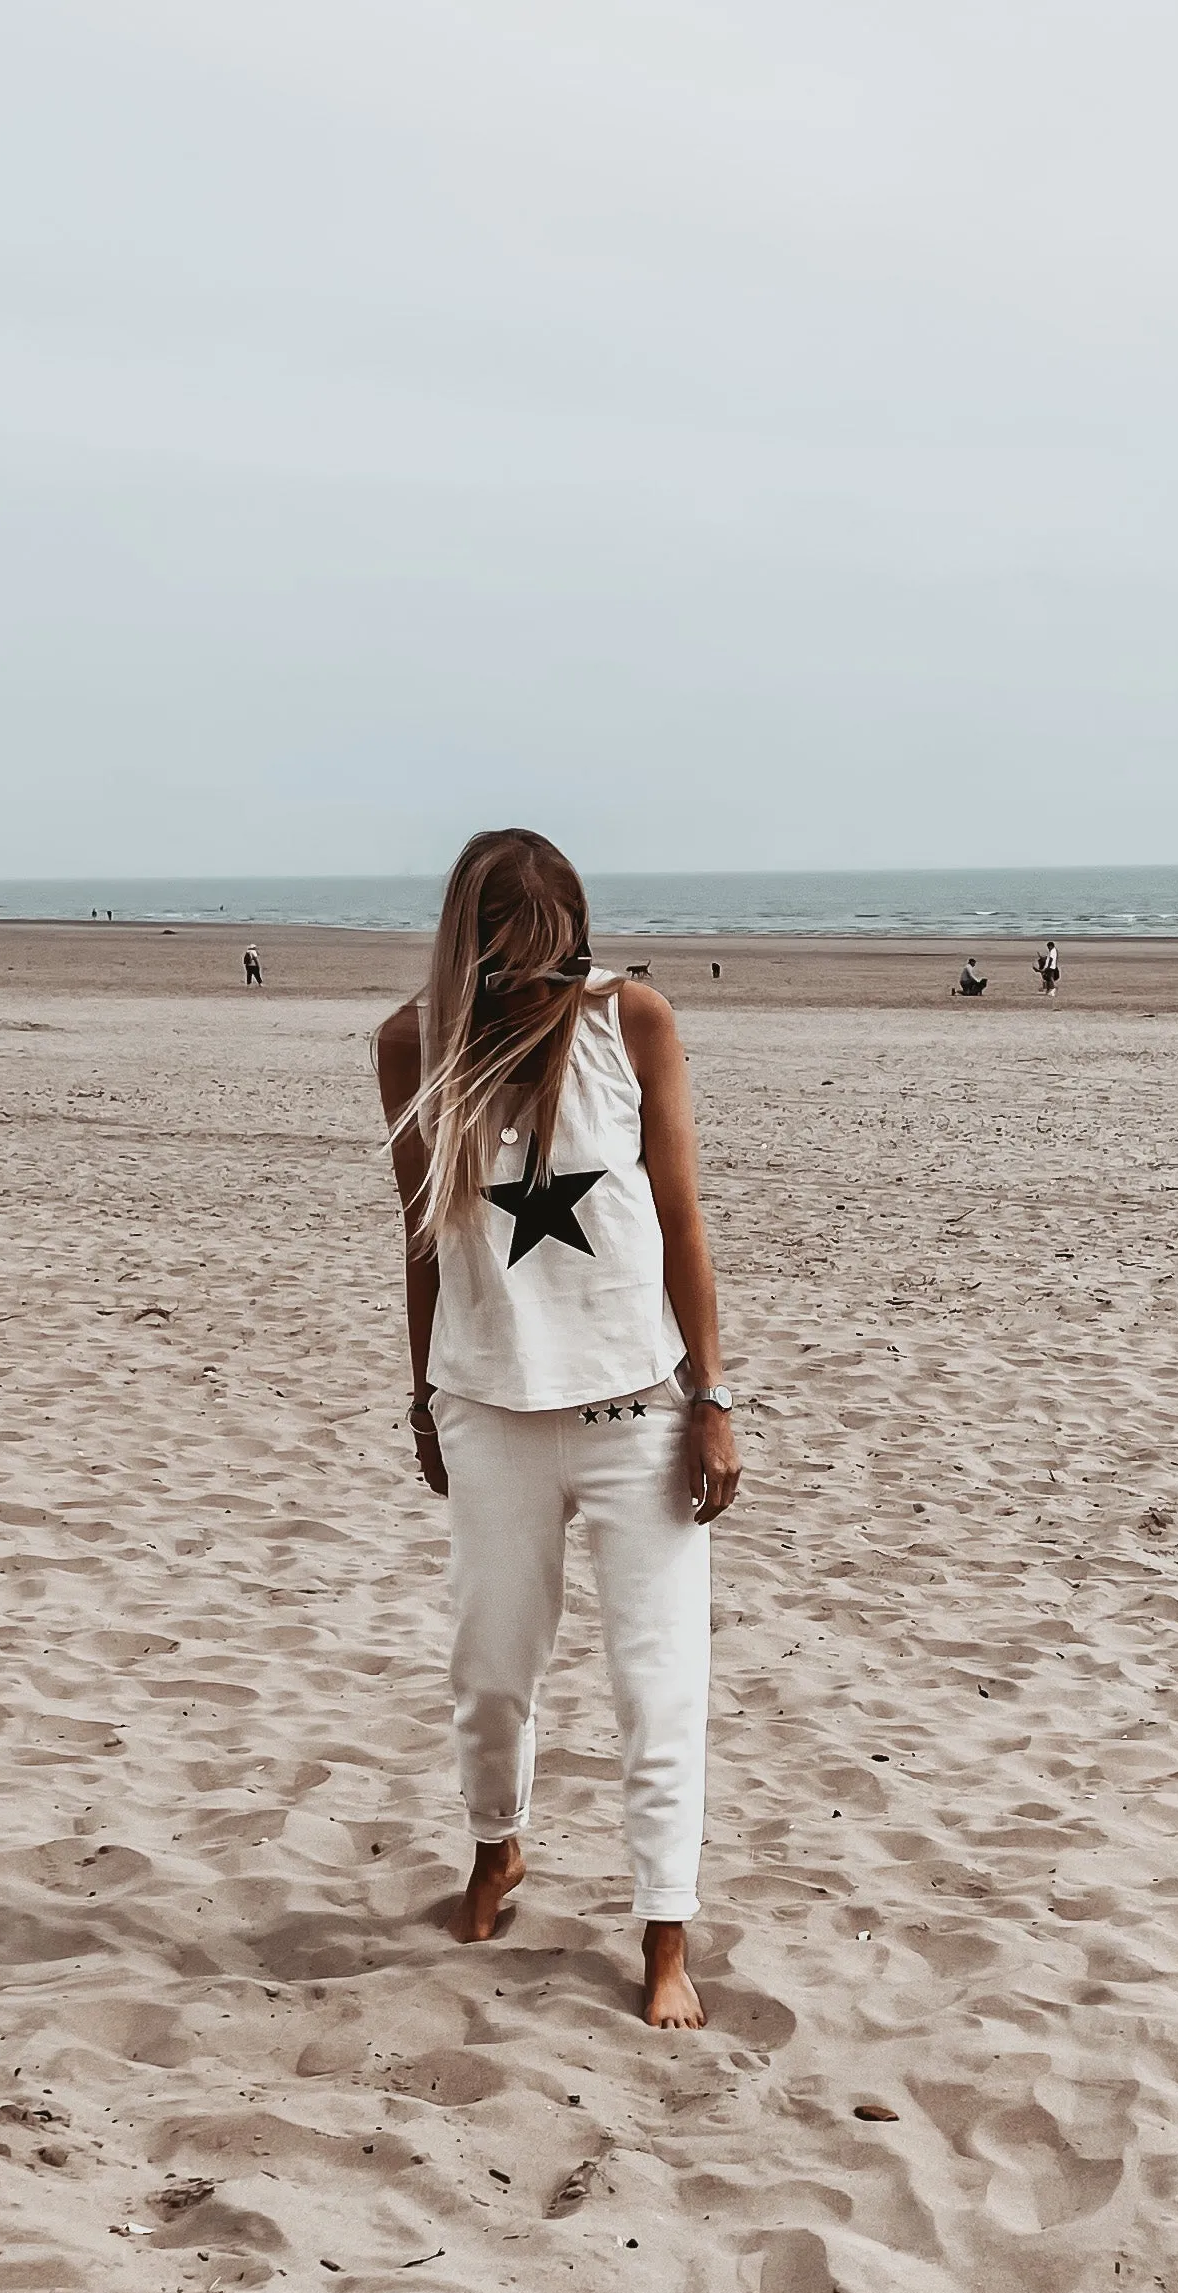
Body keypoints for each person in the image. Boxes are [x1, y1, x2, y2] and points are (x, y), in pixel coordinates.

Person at [375, 830, 741, 2030]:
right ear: (467, 952)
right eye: (507, 965)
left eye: (552, 960)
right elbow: (423, 1237)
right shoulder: (412, 1047)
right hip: (490, 1405)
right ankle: (497, 1850)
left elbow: (683, 1220)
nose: (533, 988)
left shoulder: (627, 1021)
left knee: (658, 1681)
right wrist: (424, 1395)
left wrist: (715, 1398)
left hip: (640, 1408)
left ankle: (665, 1931)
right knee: (489, 1670)